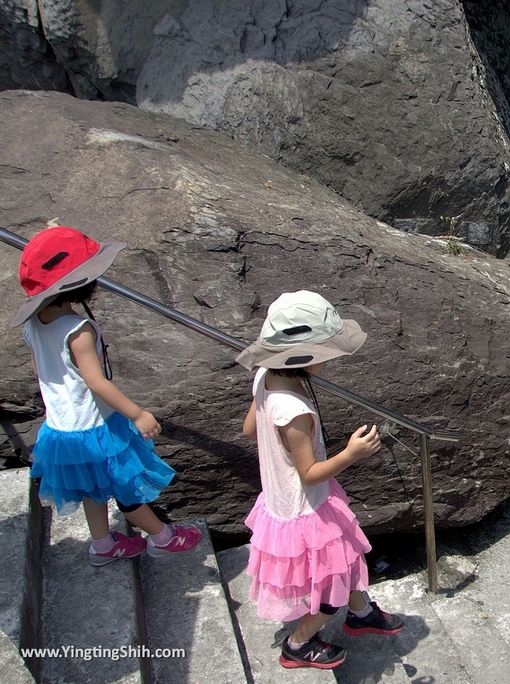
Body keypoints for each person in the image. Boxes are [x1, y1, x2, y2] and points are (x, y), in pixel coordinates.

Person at [11, 226, 201, 565]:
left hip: (60, 429)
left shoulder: (34, 324)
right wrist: (137, 414)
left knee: (90, 488)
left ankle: (102, 544)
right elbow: (97, 383)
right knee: (127, 487)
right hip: (95, 428)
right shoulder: (78, 330)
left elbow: (39, 371)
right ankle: (162, 537)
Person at [237, 290, 404, 670]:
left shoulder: (265, 376)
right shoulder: (295, 411)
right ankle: (298, 643)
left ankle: (361, 615)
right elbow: (309, 472)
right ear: (304, 356)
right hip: (306, 510)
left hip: (281, 499)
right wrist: (351, 454)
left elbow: (250, 428)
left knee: (346, 561)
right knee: (332, 585)